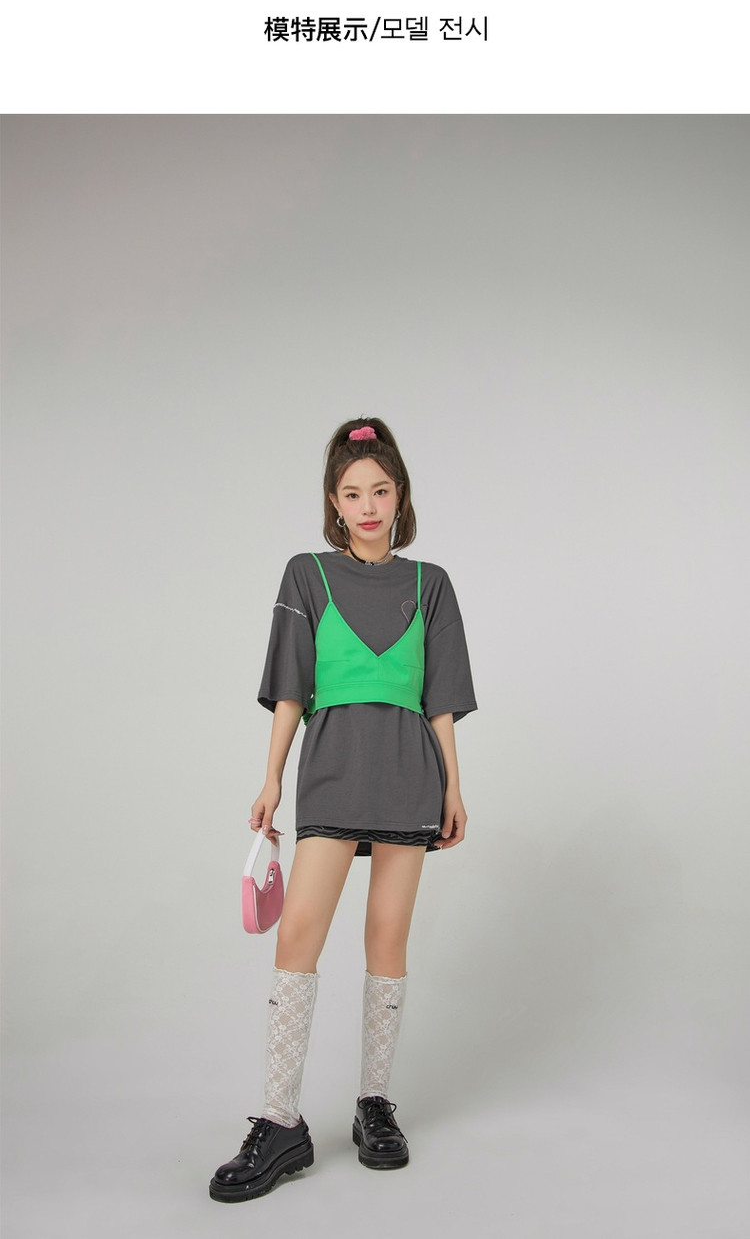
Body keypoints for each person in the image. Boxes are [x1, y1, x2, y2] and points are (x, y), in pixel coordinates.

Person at [209, 417, 477, 1203]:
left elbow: (441, 701)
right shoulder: (306, 575)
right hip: (331, 773)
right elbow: (291, 690)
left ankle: (374, 1105)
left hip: (409, 774)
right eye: (353, 493)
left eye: (380, 491)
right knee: (298, 934)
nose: (367, 506)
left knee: (387, 936)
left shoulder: (431, 584)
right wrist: (270, 780)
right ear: (334, 501)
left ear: (400, 497)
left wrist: (454, 788)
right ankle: (279, 1120)